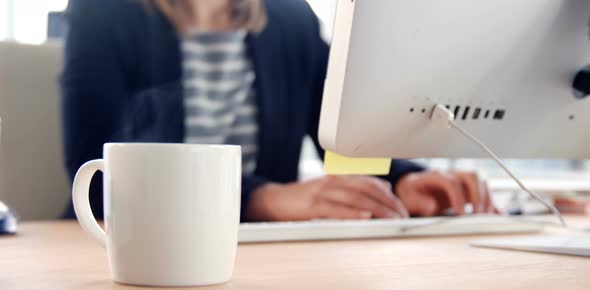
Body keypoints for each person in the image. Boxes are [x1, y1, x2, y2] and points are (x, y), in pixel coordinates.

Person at [60, 0, 495, 222]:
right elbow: (97, 172)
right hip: (128, 241)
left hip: (270, 252)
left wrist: (402, 180)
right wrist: (262, 198)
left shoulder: (289, 17)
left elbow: (341, 132)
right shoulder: (105, 12)